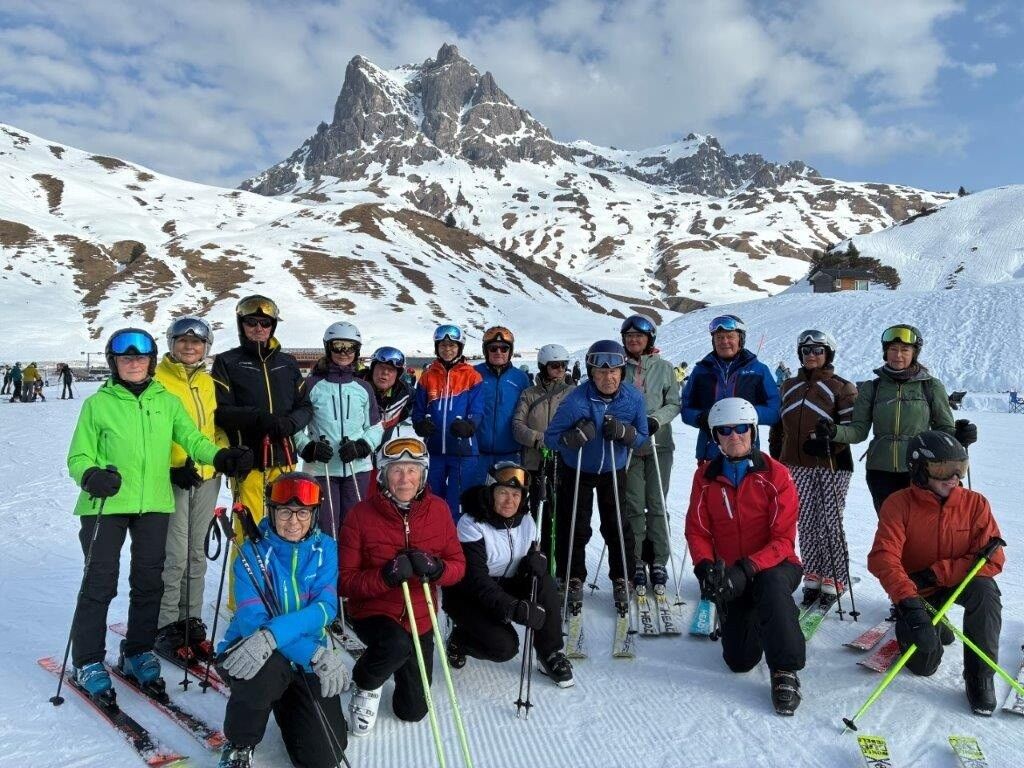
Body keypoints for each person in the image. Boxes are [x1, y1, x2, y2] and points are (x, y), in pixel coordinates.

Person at [65, 328, 252, 701]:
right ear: (114, 362)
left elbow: (192, 438)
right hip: (107, 503)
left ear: (151, 361)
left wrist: (219, 456)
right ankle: (87, 660)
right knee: (99, 582)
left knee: (149, 581)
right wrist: (90, 475)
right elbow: (78, 455)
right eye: (125, 358)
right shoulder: (97, 405)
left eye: (141, 357)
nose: (134, 363)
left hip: (153, 503)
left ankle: (137, 651)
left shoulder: (165, 401)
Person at [216, 472, 349, 768]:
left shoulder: (326, 549)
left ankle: (284, 700)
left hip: (304, 659)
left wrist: (293, 645)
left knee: (325, 756)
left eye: (302, 512)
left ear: (313, 514)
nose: (293, 521)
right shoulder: (250, 554)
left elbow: (325, 608)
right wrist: (310, 653)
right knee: (264, 668)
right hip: (253, 651)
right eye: (285, 512)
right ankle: (240, 743)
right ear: (272, 511)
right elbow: (253, 621)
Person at [867, 431, 1004, 716]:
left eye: (960, 468)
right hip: (917, 591)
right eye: (943, 469)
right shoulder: (898, 504)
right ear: (918, 469)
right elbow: (883, 557)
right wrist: (907, 603)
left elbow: (992, 559)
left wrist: (936, 573)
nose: (953, 477)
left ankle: (980, 676)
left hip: (955, 582)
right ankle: (930, 626)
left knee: (985, 591)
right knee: (923, 667)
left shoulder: (975, 503)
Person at [338, 436, 466, 735]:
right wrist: (385, 575)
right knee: (395, 646)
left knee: (412, 711)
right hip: (375, 612)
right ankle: (367, 681)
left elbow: (458, 566)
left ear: (422, 474)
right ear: (383, 474)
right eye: (396, 470)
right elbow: (344, 581)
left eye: (412, 470)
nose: (404, 478)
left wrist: (437, 569)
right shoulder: (360, 515)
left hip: (420, 616)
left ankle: (391, 664)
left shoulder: (439, 510)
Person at [684, 397, 804, 716]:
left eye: (741, 429)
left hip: (775, 566)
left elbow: (783, 540)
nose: (734, 436)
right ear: (715, 437)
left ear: (752, 431)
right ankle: (750, 616)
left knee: (770, 585)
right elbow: (697, 530)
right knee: (739, 661)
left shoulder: (775, 474)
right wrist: (706, 566)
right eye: (725, 430)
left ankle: (785, 671)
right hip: (731, 574)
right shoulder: (706, 478)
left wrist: (746, 568)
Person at [443, 461, 574, 687]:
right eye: (503, 492)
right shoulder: (471, 522)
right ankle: (460, 640)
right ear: (490, 492)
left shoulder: (526, 521)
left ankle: (549, 653)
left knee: (544, 582)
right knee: (505, 647)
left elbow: (527, 560)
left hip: (506, 583)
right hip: (468, 593)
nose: (509, 500)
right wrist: (513, 607)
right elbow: (477, 580)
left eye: (516, 494)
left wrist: (535, 562)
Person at [817, 324, 971, 514]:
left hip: (921, 470)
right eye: (893, 349)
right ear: (885, 352)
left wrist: (960, 435)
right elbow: (858, 432)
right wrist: (834, 431)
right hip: (880, 472)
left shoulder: (931, 387)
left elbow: (944, 429)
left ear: (914, 353)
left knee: (920, 529)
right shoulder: (871, 388)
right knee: (890, 530)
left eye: (905, 350)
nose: (898, 355)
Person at [544, 340, 648, 609]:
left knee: (617, 525)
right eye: (601, 372)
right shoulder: (576, 401)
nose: (608, 377)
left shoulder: (633, 398)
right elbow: (551, 438)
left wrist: (626, 433)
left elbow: (643, 437)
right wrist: (573, 437)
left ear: (621, 372)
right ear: (591, 373)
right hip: (578, 469)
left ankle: (622, 576)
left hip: (613, 470)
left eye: (613, 371)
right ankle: (572, 576)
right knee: (574, 524)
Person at [153, 317, 225, 661]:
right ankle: (166, 625)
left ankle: (190, 620)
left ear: (206, 347)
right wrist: (170, 466)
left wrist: (223, 455)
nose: (189, 346)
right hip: (174, 479)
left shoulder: (209, 382)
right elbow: (148, 434)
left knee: (197, 553)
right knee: (176, 555)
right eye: (182, 340)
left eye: (196, 342)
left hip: (207, 477)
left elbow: (212, 427)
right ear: (171, 343)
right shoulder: (156, 381)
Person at [767, 330, 857, 605]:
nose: (812, 356)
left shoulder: (841, 387)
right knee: (804, 519)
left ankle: (835, 575)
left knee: (829, 520)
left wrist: (832, 441)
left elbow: (851, 428)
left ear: (828, 353)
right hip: (795, 463)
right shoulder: (789, 385)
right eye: (806, 351)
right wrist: (775, 450)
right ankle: (813, 573)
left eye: (818, 350)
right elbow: (780, 423)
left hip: (832, 463)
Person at [211, 295, 313, 524]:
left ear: (272, 326)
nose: (258, 328)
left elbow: (305, 406)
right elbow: (220, 411)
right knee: (250, 530)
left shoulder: (287, 363)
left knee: (288, 526)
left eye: (265, 323)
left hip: (285, 458)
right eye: (251, 322)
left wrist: (291, 424)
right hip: (249, 461)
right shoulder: (227, 362)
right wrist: (257, 418)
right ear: (241, 325)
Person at [294, 322, 383, 538]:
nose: (344, 353)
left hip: (356, 468)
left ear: (357, 350)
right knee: (326, 527)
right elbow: (295, 427)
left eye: (350, 347)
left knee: (354, 526)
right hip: (321, 469)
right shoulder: (312, 385)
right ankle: (328, 569)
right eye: (338, 346)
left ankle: (349, 570)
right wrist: (309, 448)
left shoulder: (364, 388)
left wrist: (362, 446)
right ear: (328, 348)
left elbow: (375, 427)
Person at [619, 314, 680, 589]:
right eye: (629, 336)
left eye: (639, 336)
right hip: (630, 444)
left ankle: (658, 559)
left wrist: (657, 419)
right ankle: (636, 560)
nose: (634, 340)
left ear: (649, 339)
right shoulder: (618, 367)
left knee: (656, 502)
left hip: (659, 443)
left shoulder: (664, 367)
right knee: (633, 504)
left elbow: (674, 402)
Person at [681, 315, 780, 462]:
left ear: (740, 339)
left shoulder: (759, 370)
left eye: (730, 336)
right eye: (719, 337)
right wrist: (700, 418)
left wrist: (746, 414)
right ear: (713, 341)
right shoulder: (701, 371)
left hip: (746, 452)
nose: (724, 342)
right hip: (710, 453)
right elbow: (686, 408)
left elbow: (774, 410)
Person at [511, 343, 576, 566]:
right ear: (543, 366)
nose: (559, 370)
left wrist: (568, 439)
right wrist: (539, 439)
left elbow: (581, 422)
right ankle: (531, 560)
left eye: (563, 366)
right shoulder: (529, 394)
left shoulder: (572, 393)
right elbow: (517, 426)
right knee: (534, 511)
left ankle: (557, 565)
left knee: (558, 514)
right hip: (534, 461)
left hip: (563, 461)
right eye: (554, 366)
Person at [411, 324, 484, 518]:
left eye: (452, 346)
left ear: (460, 348)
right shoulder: (427, 377)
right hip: (435, 451)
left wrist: (469, 426)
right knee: (433, 501)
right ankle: (436, 542)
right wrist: (420, 424)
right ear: (436, 347)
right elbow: (418, 409)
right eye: (443, 345)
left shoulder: (472, 376)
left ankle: (458, 545)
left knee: (458, 503)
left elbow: (477, 410)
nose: (447, 350)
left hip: (463, 452)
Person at [474, 326, 529, 470]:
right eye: (493, 348)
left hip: (511, 454)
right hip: (477, 455)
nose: (498, 352)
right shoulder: (473, 374)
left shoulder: (521, 378)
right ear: (485, 350)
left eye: (504, 348)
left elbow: (531, 411)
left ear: (510, 351)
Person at [357, 346, 413, 444]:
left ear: (398, 374)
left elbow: (422, 403)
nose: (385, 372)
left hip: (384, 449)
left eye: (391, 369)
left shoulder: (404, 392)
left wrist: (405, 413)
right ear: (373, 368)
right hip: (354, 450)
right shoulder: (355, 385)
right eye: (381, 367)